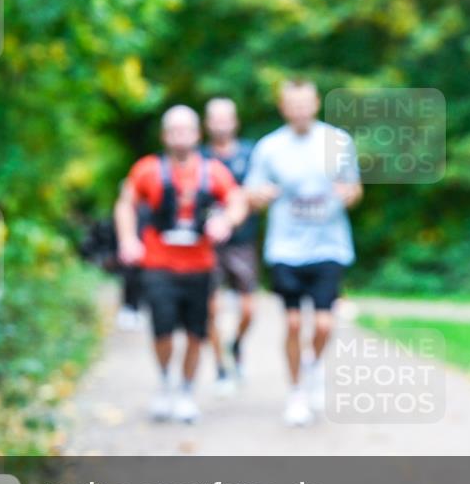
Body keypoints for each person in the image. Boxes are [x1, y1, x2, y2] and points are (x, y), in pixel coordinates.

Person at [115, 105, 247, 423]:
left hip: (200, 266)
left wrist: (226, 222)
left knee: (195, 334)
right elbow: (125, 204)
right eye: (173, 130)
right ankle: (164, 383)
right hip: (158, 264)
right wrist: (128, 240)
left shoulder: (212, 171)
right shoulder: (147, 169)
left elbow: (237, 200)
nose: (180, 136)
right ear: (164, 136)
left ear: (196, 133)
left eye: (186, 130)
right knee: (162, 331)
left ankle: (186, 391)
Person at [246, 79, 362, 427]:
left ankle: (312, 367)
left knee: (324, 324)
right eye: (292, 104)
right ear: (283, 107)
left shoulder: (337, 142)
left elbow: (355, 188)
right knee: (294, 323)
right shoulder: (269, 147)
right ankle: (297, 392)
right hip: (286, 247)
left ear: (315, 104)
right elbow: (250, 193)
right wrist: (259, 195)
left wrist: (348, 195)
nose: (299, 110)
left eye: (304, 103)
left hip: (328, 244)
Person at [201, 97, 258, 392]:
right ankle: (221, 368)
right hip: (207, 245)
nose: (221, 125)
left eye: (226, 119)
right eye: (215, 119)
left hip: (243, 241)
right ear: (207, 123)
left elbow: (260, 191)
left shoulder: (251, 154)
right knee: (210, 309)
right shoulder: (199, 158)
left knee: (249, 309)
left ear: (234, 122)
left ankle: (235, 346)